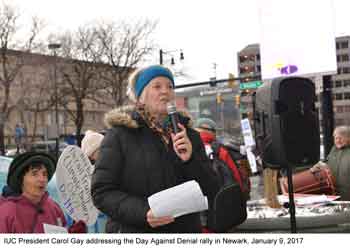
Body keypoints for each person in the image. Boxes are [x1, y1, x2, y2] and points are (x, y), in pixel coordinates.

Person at [91, 65, 218, 233]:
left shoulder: (190, 136)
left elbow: (211, 189)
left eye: (170, 86)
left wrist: (190, 160)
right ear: (141, 97)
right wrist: (144, 212)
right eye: (157, 86)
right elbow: (102, 192)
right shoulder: (119, 136)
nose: (165, 91)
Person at [0, 152, 67, 233]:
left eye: (44, 174)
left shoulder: (54, 208)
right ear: (21, 179)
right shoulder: (6, 213)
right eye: (34, 174)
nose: (42, 179)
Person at [194, 117, 250, 196]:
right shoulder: (220, 151)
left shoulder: (186, 150)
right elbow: (236, 178)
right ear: (213, 133)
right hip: (221, 200)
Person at [325, 126, 350, 200]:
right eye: (336, 138)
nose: (338, 141)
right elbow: (327, 162)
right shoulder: (334, 149)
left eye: (341, 138)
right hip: (334, 193)